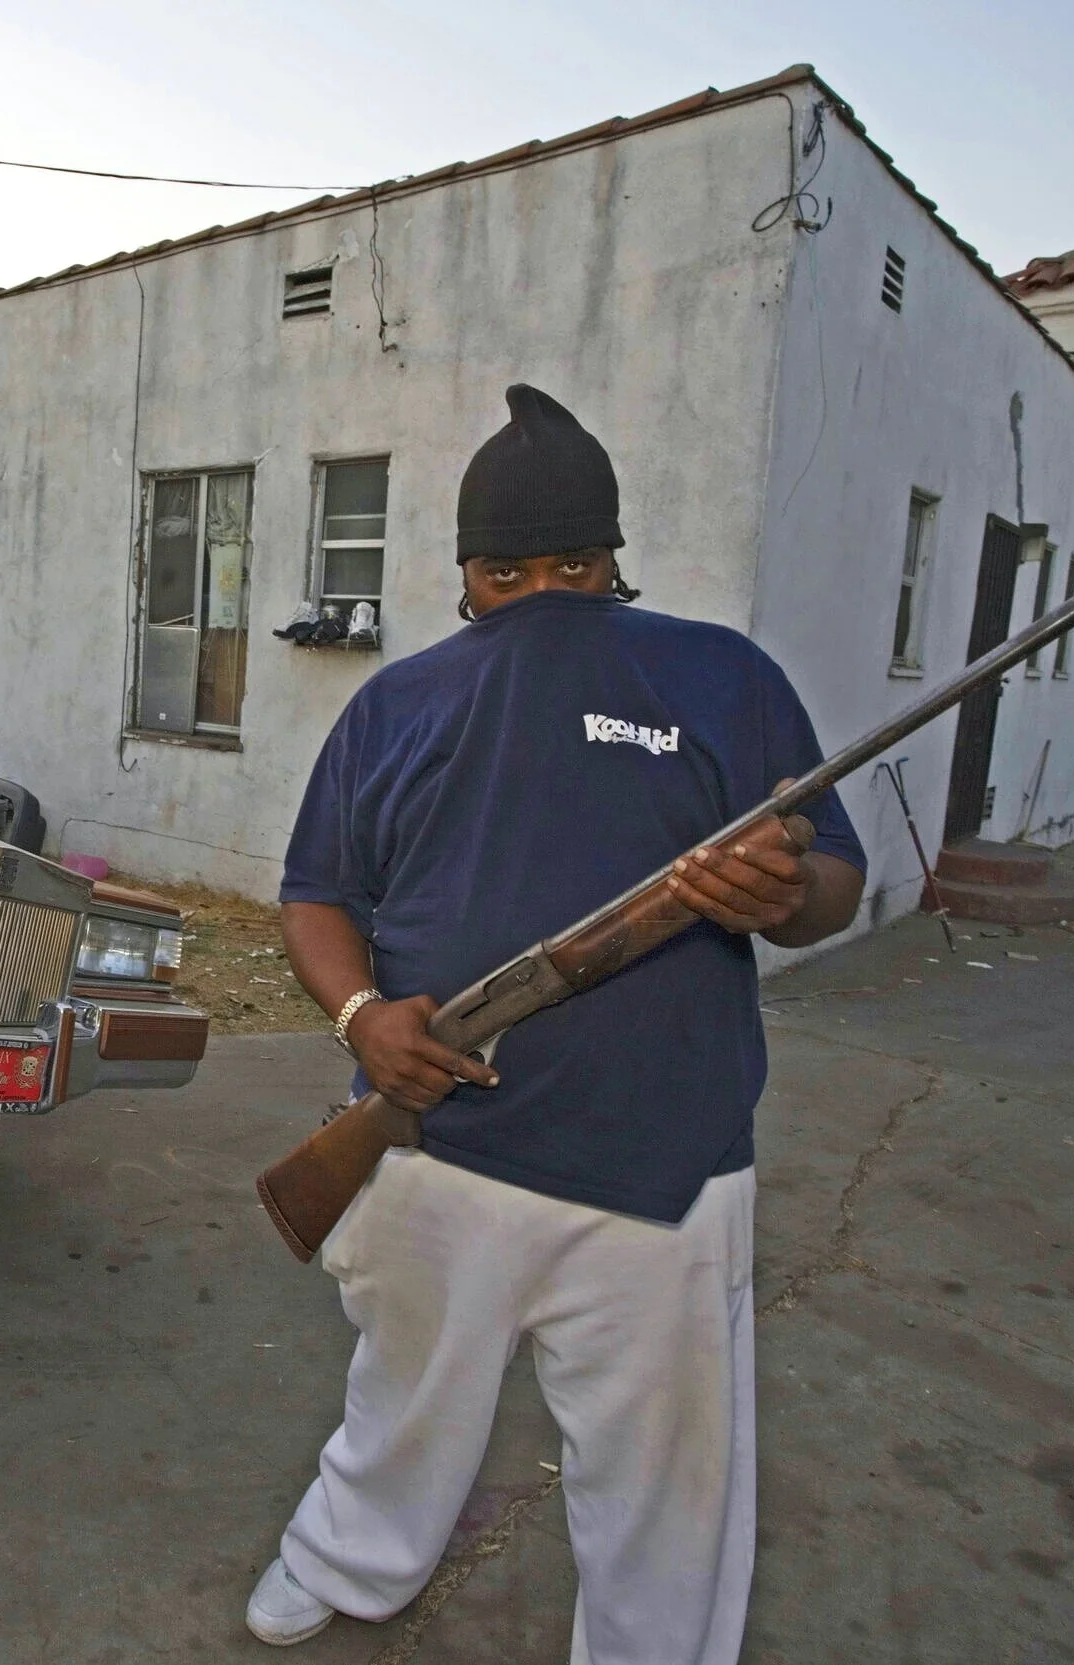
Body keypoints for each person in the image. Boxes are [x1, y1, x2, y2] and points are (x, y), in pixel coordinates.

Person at [246, 386, 867, 1658]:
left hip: (664, 1164)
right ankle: (344, 1564)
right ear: (465, 577)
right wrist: (362, 1017)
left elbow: (834, 881)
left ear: (613, 560)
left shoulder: (725, 676)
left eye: (573, 566)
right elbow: (316, 894)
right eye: (508, 572)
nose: (541, 597)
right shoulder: (395, 701)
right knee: (400, 1406)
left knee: (665, 1472)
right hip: (431, 1143)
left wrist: (787, 892)